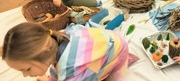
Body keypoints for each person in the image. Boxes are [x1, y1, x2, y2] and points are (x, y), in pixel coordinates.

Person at [2, 22, 130, 80]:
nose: (25, 76)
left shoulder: (72, 68)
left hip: (118, 53)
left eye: (27, 69)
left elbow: (65, 70)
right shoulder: (55, 38)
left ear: (43, 53)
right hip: (110, 38)